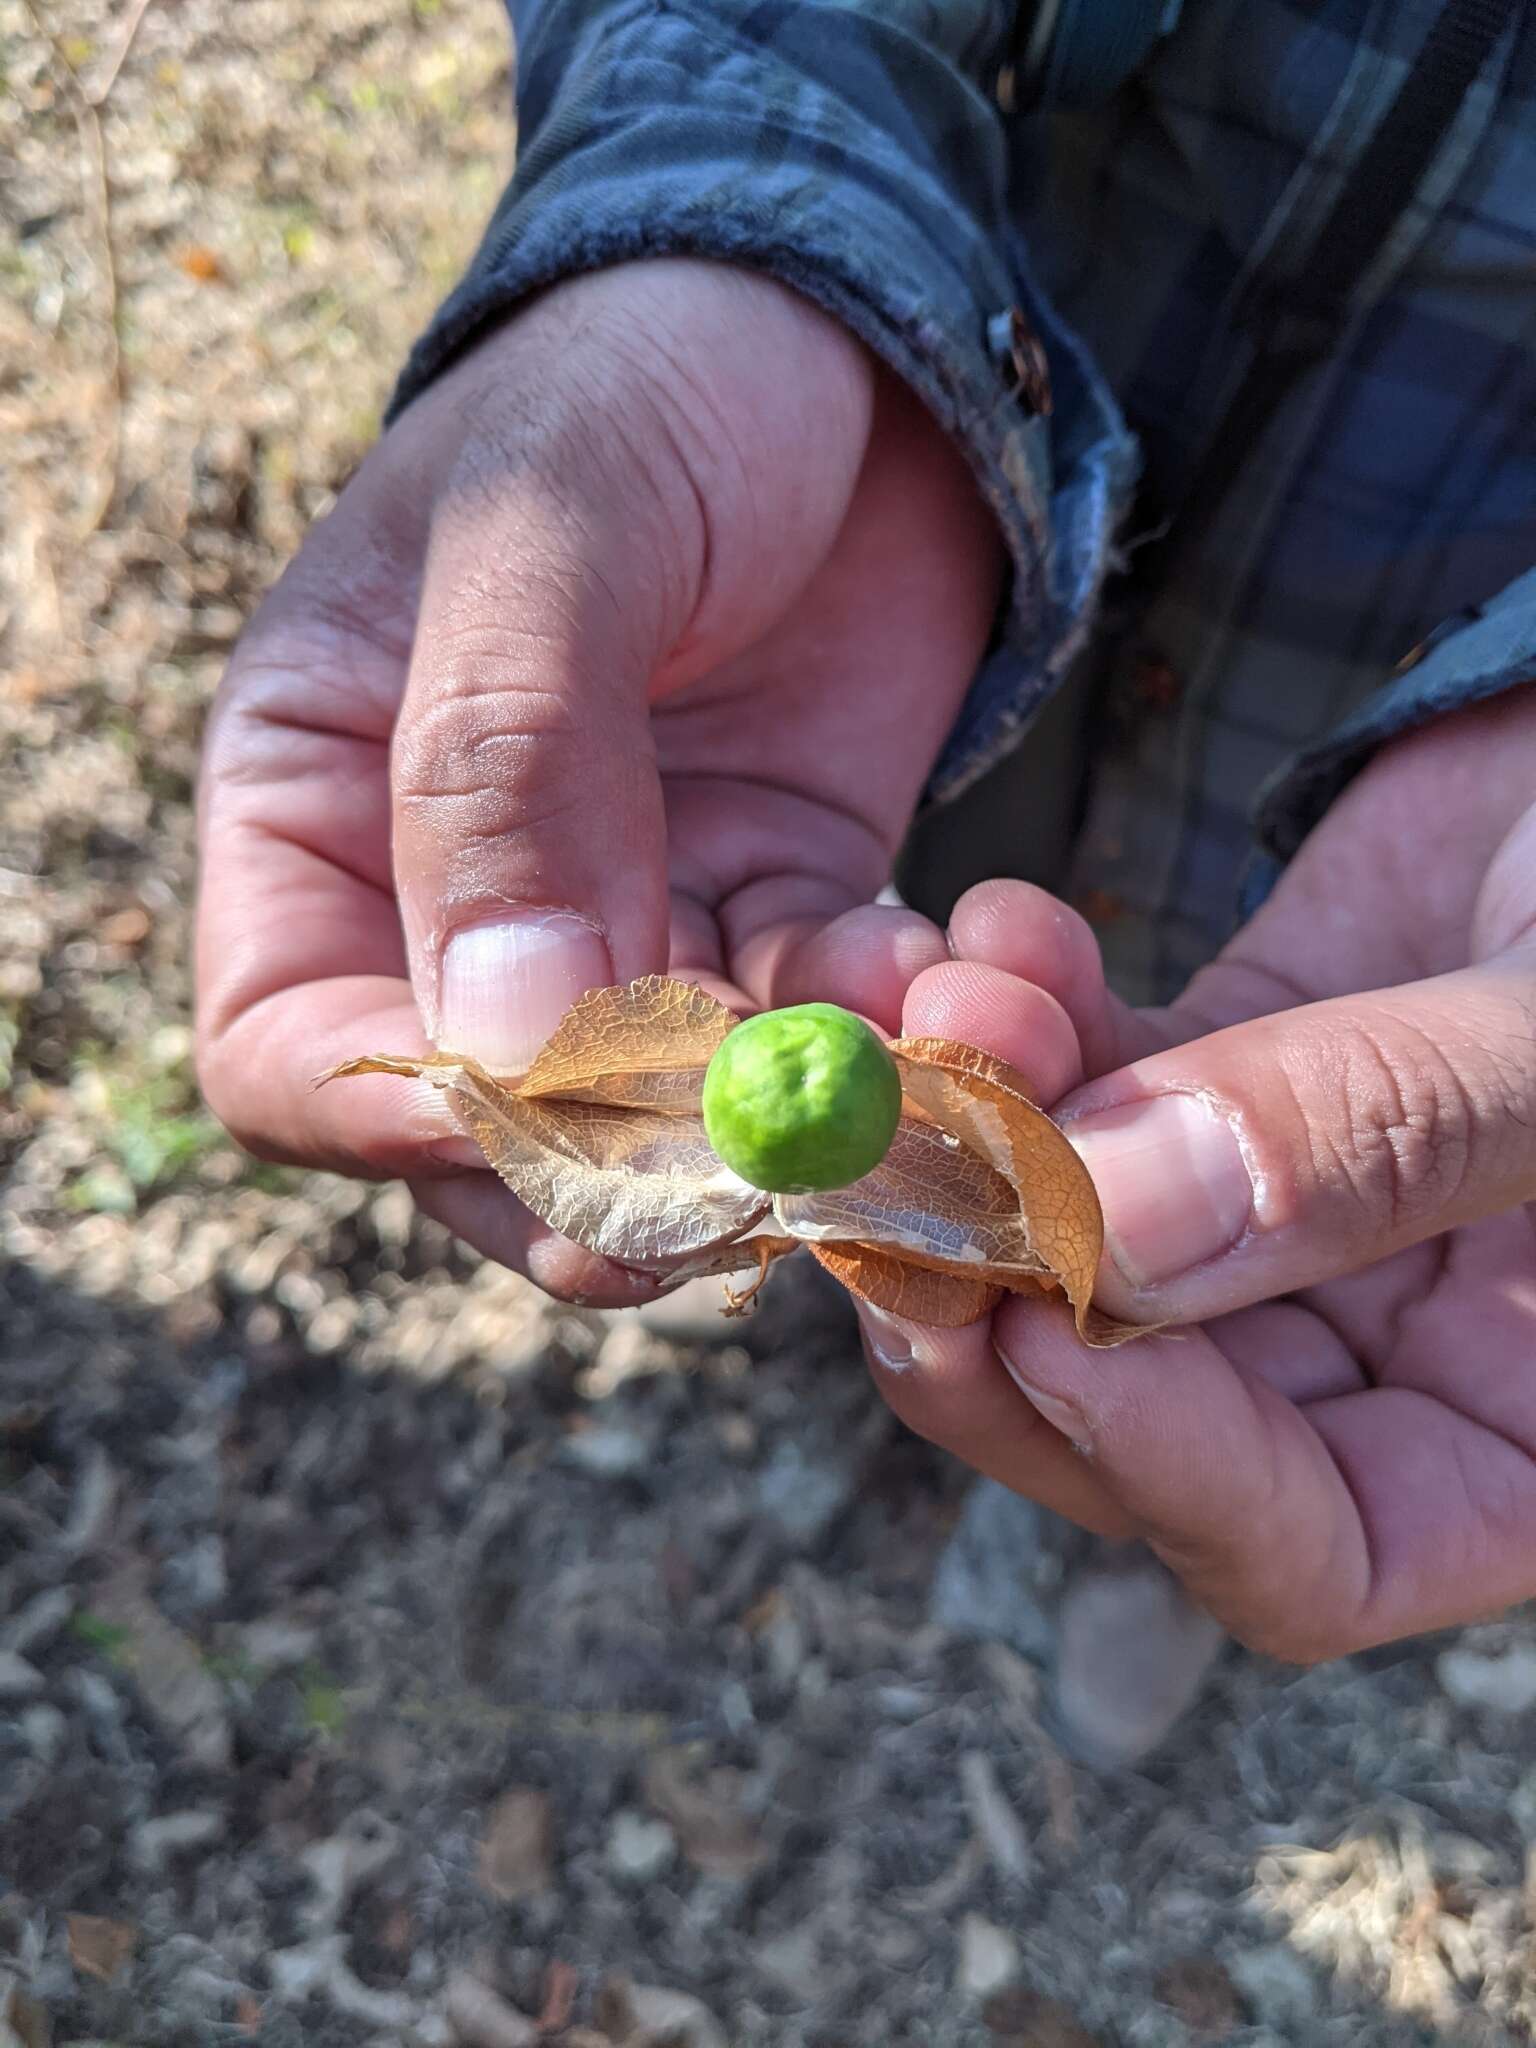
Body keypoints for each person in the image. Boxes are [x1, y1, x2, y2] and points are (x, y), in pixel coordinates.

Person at [195, 0, 1536, 1763]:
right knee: (943, 971)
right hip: (967, 562)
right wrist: (739, 231)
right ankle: (884, 1348)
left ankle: (1111, 1537)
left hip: (1409, 686)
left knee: (1197, 1317)